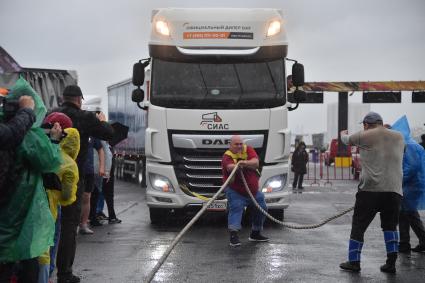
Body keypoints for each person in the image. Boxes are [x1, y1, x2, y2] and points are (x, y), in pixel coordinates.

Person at [0, 78, 62, 283]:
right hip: (18, 216)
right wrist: (53, 141)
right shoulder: (29, 136)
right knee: (24, 265)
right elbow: (51, 161)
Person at [51, 85, 114, 283]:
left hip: (50, 177)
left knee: (49, 224)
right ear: (79, 99)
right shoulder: (85, 117)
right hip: (73, 176)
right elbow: (109, 133)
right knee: (70, 225)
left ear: (63, 97)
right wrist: (102, 121)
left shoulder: (51, 115)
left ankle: (44, 272)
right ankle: (65, 273)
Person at [338, 112, 404, 274]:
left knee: (359, 226)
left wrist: (343, 134)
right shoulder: (399, 137)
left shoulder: (365, 135)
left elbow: (346, 141)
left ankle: (354, 262)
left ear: (367, 125)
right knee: (390, 227)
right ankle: (391, 264)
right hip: (394, 191)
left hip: (370, 191)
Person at [221, 135, 269, 247]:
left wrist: (244, 163)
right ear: (230, 145)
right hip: (236, 191)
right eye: (236, 144)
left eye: (240, 144)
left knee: (262, 208)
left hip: (253, 192)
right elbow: (229, 167)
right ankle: (234, 236)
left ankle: (255, 233)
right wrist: (238, 166)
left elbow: (256, 162)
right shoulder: (227, 156)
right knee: (236, 210)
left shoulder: (248, 149)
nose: (239, 146)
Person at [390, 116, 425, 254]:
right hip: (410, 185)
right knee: (405, 214)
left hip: (410, 185)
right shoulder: (408, 144)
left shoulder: (409, 146)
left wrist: (399, 179)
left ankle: (408, 243)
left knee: (408, 214)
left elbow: (412, 167)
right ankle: (405, 243)